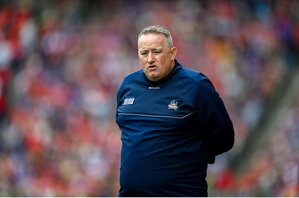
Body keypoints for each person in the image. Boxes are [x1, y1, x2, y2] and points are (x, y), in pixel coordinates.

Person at [116, 25, 234, 197]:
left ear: (172, 53)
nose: (150, 59)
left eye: (156, 52)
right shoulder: (128, 85)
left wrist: (189, 153)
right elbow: (128, 132)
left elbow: (225, 137)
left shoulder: (196, 86)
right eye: (144, 53)